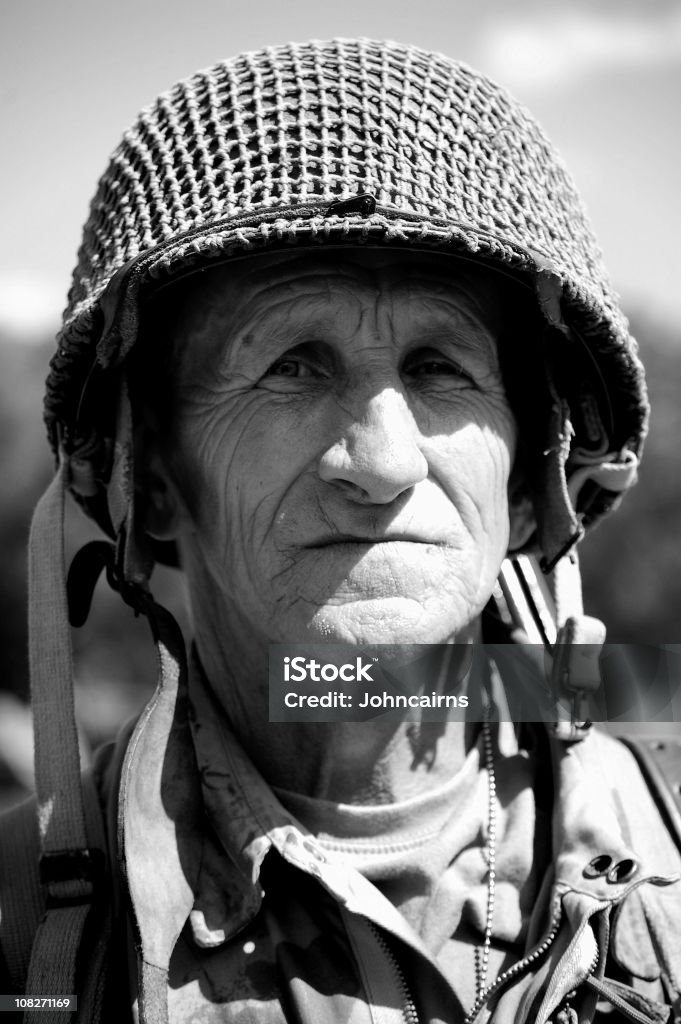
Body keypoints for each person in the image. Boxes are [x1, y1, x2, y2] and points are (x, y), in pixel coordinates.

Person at [2, 38, 680, 1024]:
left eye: (442, 367)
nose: (385, 461)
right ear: (147, 478)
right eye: (292, 366)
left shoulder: (662, 861)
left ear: (533, 487)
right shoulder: (26, 933)